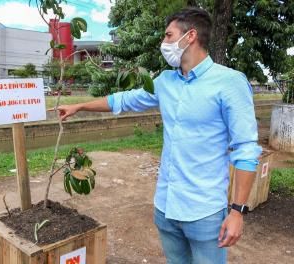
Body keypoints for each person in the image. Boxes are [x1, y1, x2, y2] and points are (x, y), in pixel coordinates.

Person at [49, 7, 262, 264]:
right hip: (165, 207)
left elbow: (246, 149)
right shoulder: (165, 81)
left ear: (190, 36)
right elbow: (124, 100)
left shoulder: (229, 82)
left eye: (168, 35)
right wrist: (79, 106)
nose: (164, 42)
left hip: (204, 212)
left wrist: (237, 211)